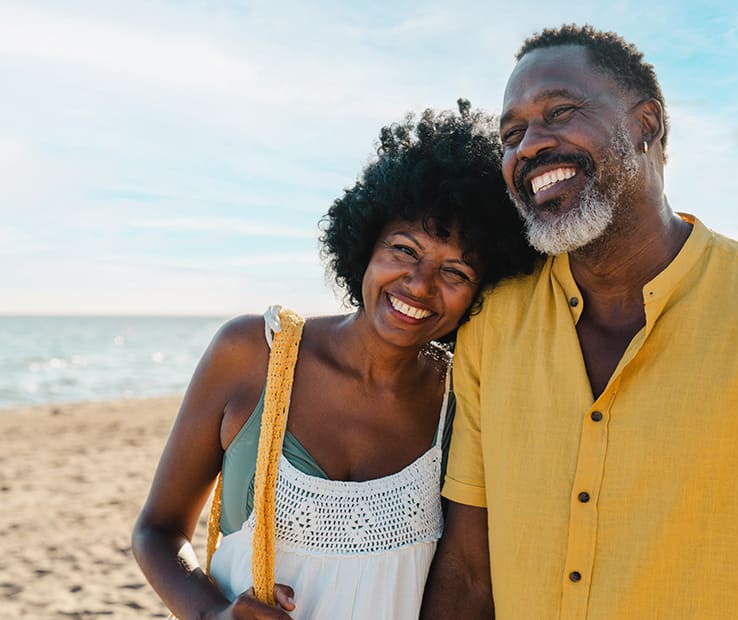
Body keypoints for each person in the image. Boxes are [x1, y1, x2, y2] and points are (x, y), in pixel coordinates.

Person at [421, 25, 738, 619]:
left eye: (559, 111)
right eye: (511, 135)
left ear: (647, 124)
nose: (529, 146)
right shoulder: (493, 324)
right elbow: (467, 574)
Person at [132, 101, 538, 620]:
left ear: (482, 292)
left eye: (455, 272)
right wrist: (212, 615)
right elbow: (157, 530)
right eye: (404, 250)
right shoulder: (251, 355)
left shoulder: (463, 402)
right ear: (365, 244)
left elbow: (471, 577)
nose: (420, 285)